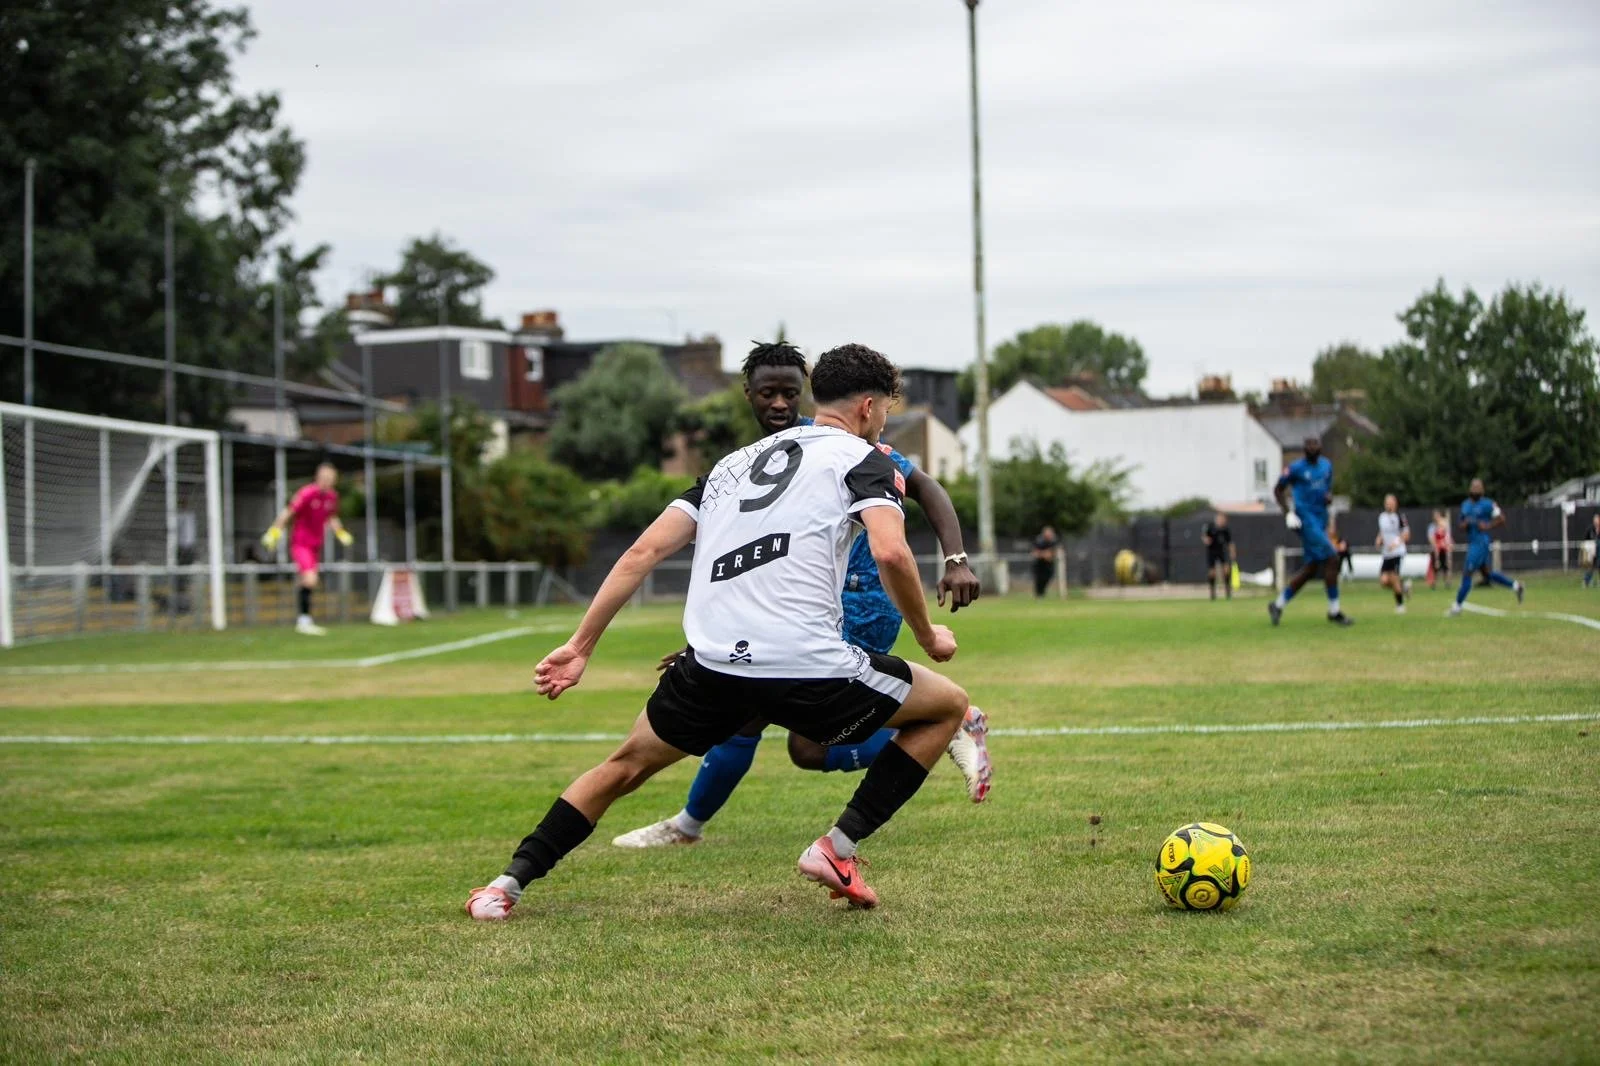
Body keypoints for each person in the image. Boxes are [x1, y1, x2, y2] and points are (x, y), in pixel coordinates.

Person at [466, 343, 972, 919]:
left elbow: (641, 553)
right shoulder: (867, 459)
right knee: (947, 708)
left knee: (622, 767)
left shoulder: (730, 468)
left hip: (711, 665)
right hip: (807, 665)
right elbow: (892, 553)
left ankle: (504, 886)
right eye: (884, 411)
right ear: (867, 406)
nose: (882, 423)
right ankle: (837, 846)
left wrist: (579, 648)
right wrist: (928, 635)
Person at [613, 342, 989, 850]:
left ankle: (688, 826)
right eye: (768, 393)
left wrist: (956, 559)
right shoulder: (758, 459)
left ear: (808, 395)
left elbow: (926, 488)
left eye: (790, 394)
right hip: (799, 608)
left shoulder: (848, 444)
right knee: (806, 749)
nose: (779, 404)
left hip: (856, 601)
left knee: (749, 711)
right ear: (748, 395)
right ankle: (940, 724)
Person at [1267, 436, 1353, 627]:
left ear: (1321, 447)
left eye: (1316, 445)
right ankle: (1334, 611)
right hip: (1305, 520)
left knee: (1311, 569)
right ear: (1304, 448)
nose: (1313, 448)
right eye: (1309, 445)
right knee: (1332, 557)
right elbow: (1278, 490)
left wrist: (1328, 498)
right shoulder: (1296, 468)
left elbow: (1326, 490)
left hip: (1320, 519)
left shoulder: (1327, 466)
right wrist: (1288, 513)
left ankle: (1277, 605)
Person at [260, 462, 353, 636]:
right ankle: (304, 621)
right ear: (318, 477)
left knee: (308, 581)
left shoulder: (332, 496)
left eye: (331, 478)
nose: (327, 481)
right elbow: (288, 512)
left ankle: (304, 619)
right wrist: (274, 531)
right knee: (310, 579)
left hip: (316, 545)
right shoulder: (307, 493)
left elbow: (331, 517)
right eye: (324, 477)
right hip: (301, 543)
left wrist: (340, 532)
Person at [1447, 478, 1524, 616]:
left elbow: (1501, 518)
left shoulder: (1488, 504)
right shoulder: (1465, 505)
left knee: (1467, 573)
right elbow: (1460, 524)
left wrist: (1488, 525)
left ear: (1482, 490)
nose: (1476, 490)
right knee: (1488, 574)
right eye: (1474, 487)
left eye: (1478, 488)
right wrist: (1465, 524)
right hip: (1472, 542)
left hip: (1481, 543)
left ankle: (1457, 606)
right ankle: (1516, 586)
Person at [1375, 494, 1412, 613]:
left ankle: (1400, 605)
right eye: (1386, 502)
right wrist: (1379, 539)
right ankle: (1403, 586)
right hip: (1386, 553)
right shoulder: (1382, 517)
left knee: (1394, 577)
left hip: (1397, 552)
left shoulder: (1400, 517)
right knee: (1384, 581)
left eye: (1390, 502)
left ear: (1395, 503)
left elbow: (1406, 534)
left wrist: (1395, 543)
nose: (1388, 505)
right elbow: (1382, 532)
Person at [1201, 512, 1235, 601]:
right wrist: (1206, 540)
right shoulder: (1210, 527)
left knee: (1226, 570)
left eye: (1223, 520)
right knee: (1212, 572)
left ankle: (1228, 591)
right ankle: (1212, 593)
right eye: (1220, 519)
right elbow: (1204, 537)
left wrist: (1232, 553)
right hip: (1211, 552)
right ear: (1217, 519)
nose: (1222, 521)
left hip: (1222, 551)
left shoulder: (1225, 530)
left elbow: (1230, 543)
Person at [1427, 510, 1453, 590]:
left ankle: (1447, 582)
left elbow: (1448, 540)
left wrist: (1448, 546)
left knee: (1446, 566)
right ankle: (1434, 582)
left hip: (1444, 550)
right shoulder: (1433, 528)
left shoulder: (1445, 532)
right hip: (1437, 550)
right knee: (1435, 566)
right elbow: (1432, 540)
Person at [1032, 525, 1059, 598]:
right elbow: (1035, 553)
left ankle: (1042, 593)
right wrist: (1044, 554)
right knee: (1039, 579)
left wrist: (1048, 554)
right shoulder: (1039, 540)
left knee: (1048, 577)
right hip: (1039, 564)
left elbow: (1053, 552)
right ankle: (1038, 594)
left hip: (1049, 564)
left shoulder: (1054, 541)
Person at [1586, 512, 1600, 589]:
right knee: (1590, 565)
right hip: (1591, 550)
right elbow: (1586, 539)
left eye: (1597, 519)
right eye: (1595, 519)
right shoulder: (1590, 529)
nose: (1596, 521)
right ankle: (1587, 581)